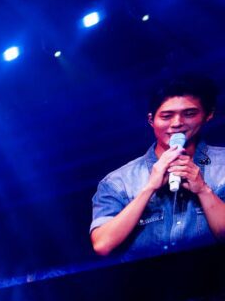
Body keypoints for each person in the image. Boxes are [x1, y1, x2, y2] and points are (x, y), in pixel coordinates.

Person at [90, 74, 225, 260]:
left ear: (208, 115)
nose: (177, 123)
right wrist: (149, 188)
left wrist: (203, 190)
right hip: (146, 278)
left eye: (189, 114)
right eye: (166, 116)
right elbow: (103, 244)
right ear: (151, 120)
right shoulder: (118, 181)